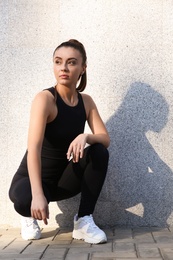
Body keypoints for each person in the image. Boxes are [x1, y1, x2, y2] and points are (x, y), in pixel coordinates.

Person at [9, 39, 110, 244]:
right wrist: (37, 196)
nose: (63, 67)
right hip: (31, 181)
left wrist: (85, 136)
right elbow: (34, 149)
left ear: (83, 68)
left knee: (99, 151)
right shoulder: (45, 99)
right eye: (58, 61)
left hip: (63, 182)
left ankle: (83, 221)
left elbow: (105, 139)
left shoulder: (86, 101)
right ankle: (28, 216)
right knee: (23, 201)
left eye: (71, 62)